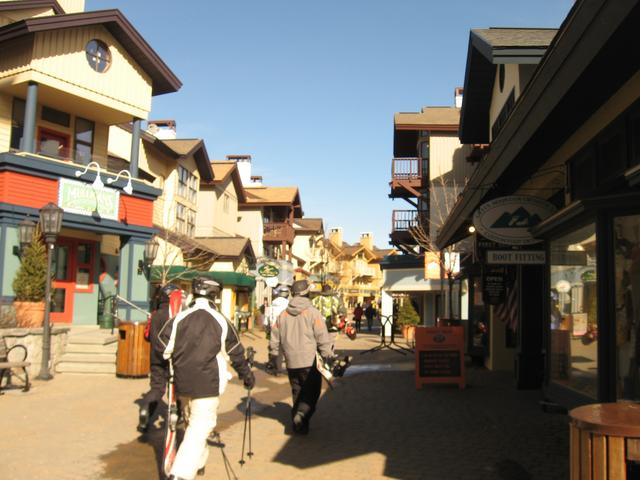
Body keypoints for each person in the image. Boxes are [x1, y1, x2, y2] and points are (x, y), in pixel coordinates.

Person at [163, 277, 255, 480]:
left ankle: (200, 462)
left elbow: (163, 347)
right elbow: (235, 354)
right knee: (200, 427)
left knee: (192, 424)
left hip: (182, 382)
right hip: (208, 382)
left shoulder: (179, 318)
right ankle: (180, 474)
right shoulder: (221, 320)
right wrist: (247, 375)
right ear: (215, 295)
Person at [269, 279, 334, 435]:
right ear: (307, 293)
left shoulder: (283, 314)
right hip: (309, 361)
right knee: (312, 393)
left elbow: (274, 338)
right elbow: (321, 335)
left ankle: (300, 426)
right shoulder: (312, 313)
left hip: (291, 361)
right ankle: (302, 414)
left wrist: (273, 356)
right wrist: (328, 354)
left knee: (297, 391)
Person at [138, 283, 183, 433]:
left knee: (157, 388)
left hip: (156, 357)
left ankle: (145, 410)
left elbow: (147, 336)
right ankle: (177, 415)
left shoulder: (155, 314)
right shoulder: (177, 315)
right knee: (177, 388)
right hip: (174, 357)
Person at [266, 284, 290, 375]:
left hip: (274, 327)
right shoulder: (289, 304)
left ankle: (277, 369)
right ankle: (289, 369)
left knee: (275, 349)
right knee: (287, 348)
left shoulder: (272, 303)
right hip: (286, 328)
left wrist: (268, 328)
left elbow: (267, 318)